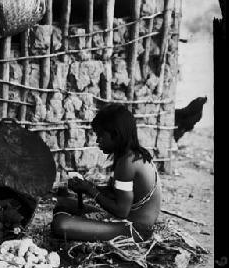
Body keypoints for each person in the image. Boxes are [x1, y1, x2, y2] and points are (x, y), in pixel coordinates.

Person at [51, 103, 161, 242]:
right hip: (127, 220)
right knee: (63, 204)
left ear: (116, 134)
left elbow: (121, 211)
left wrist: (90, 190)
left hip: (136, 230)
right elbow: (121, 196)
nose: (98, 141)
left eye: (101, 135)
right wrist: (86, 186)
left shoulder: (127, 163)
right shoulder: (132, 155)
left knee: (61, 225)